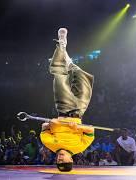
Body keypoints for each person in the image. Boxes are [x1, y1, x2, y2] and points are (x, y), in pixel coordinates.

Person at [40, 28, 95, 172]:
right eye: (63, 161)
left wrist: (50, 123)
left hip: (64, 108)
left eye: (58, 161)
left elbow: (44, 127)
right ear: (71, 159)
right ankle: (69, 62)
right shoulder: (79, 147)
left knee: (59, 76)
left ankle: (61, 45)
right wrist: (78, 128)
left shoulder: (50, 144)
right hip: (80, 110)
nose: (59, 159)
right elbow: (91, 130)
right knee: (83, 77)